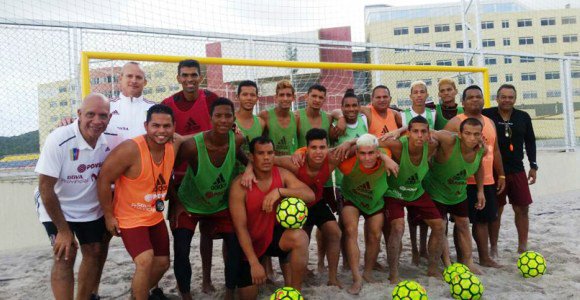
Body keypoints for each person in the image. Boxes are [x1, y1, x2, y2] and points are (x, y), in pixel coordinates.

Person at [35, 94, 121, 300]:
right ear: (79, 114)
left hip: (89, 207)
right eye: (90, 114)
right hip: (56, 205)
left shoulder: (113, 137)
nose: (97, 120)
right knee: (66, 255)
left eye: (103, 115)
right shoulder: (59, 139)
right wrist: (63, 231)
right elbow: (46, 188)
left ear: (109, 118)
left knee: (93, 251)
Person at [97, 104, 183, 300]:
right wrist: (109, 216)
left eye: (166, 126)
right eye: (156, 125)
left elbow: (198, 138)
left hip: (154, 216)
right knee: (144, 261)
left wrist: (231, 129)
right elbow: (103, 179)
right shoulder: (130, 149)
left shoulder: (174, 144)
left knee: (162, 264)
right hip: (130, 218)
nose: (161, 131)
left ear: (174, 127)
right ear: (146, 126)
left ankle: (137, 294)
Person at [169, 98, 248, 300]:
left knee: (234, 244)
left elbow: (244, 159)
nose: (223, 120)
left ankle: (229, 292)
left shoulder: (238, 139)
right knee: (181, 248)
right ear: (210, 118)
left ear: (233, 118)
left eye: (228, 115)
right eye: (218, 115)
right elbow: (165, 171)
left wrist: (249, 170)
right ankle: (186, 295)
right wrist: (176, 203)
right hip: (189, 204)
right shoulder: (191, 147)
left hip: (219, 204)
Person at [227, 136, 315, 300]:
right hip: (249, 246)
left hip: (272, 237)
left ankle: (295, 294)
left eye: (270, 153)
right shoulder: (240, 186)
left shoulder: (282, 174)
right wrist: (254, 263)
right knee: (248, 295)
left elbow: (309, 194)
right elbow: (241, 228)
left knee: (300, 237)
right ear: (252, 157)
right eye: (261, 153)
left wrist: (280, 192)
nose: (266, 157)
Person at [161, 59, 221, 295]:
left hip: (206, 180)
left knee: (207, 235)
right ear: (178, 78)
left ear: (200, 77)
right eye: (184, 75)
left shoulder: (211, 99)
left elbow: (224, 128)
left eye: (193, 75)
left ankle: (206, 279)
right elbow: (163, 139)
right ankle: (183, 288)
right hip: (179, 183)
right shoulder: (167, 104)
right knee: (182, 243)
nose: (189, 79)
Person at [271, 128, 344, 288]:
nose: (318, 152)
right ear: (307, 148)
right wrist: (249, 171)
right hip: (294, 206)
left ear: (327, 148)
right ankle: (297, 273)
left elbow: (361, 145)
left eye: (322, 148)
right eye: (313, 148)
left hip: (316, 202)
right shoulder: (294, 162)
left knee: (335, 232)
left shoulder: (332, 159)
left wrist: (351, 143)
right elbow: (267, 159)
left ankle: (332, 277)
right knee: (297, 239)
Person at [444, 85, 505, 268]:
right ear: (463, 102)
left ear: (483, 100)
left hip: (485, 180)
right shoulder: (456, 122)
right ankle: (463, 258)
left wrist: (501, 174)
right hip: (462, 180)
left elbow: (495, 150)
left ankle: (484, 257)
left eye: (478, 97)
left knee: (484, 220)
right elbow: (444, 149)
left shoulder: (490, 122)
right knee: (461, 221)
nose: (475, 100)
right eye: (470, 97)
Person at [380, 116, 444, 283]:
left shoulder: (432, 145)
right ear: (408, 133)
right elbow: (368, 144)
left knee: (439, 226)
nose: (420, 135)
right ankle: (393, 274)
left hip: (416, 192)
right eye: (415, 131)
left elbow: (452, 137)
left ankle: (433, 269)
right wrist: (385, 158)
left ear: (429, 134)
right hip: (394, 193)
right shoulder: (399, 145)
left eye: (423, 131)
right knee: (398, 228)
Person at [337, 134, 398, 294]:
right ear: (356, 153)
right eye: (362, 153)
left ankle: (368, 272)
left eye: (371, 153)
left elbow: (385, 138)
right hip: (352, 198)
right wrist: (349, 142)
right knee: (350, 230)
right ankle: (357, 278)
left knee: (375, 235)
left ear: (378, 152)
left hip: (375, 200)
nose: (367, 157)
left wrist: (385, 158)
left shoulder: (386, 154)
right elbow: (326, 155)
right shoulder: (346, 164)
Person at [423, 118, 486, 274]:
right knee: (441, 226)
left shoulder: (481, 149)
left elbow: (479, 168)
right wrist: (432, 142)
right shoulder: (450, 140)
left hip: (458, 192)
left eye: (476, 134)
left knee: (464, 224)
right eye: (468, 133)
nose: (472, 138)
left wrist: (480, 191)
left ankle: (468, 262)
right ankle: (444, 262)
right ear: (460, 134)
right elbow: (429, 132)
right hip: (436, 190)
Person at [483, 84, 537, 254]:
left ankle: (522, 246)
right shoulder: (487, 114)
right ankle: (494, 247)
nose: (507, 100)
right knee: (496, 210)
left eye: (510, 97)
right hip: (494, 170)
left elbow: (530, 142)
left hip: (517, 169)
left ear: (515, 99)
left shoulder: (523, 117)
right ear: (497, 98)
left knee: (522, 208)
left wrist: (533, 166)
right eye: (503, 97)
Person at [108, 62, 156, 140]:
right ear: (120, 79)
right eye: (129, 76)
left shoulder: (155, 108)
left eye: (139, 77)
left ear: (145, 82)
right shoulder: (107, 106)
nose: (134, 80)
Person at [259, 80, 298, 156]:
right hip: (272, 164)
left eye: (288, 95)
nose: (285, 98)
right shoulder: (265, 115)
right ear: (276, 97)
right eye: (281, 95)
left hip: (291, 164)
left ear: (293, 98)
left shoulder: (296, 117)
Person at [234, 80, 265, 175]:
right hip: (232, 174)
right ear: (237, 97)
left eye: (252, 95)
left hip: (254, 174)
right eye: (245, 94)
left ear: (257, 98)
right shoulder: (229, 121)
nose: (249, 98)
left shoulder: (261, 122)